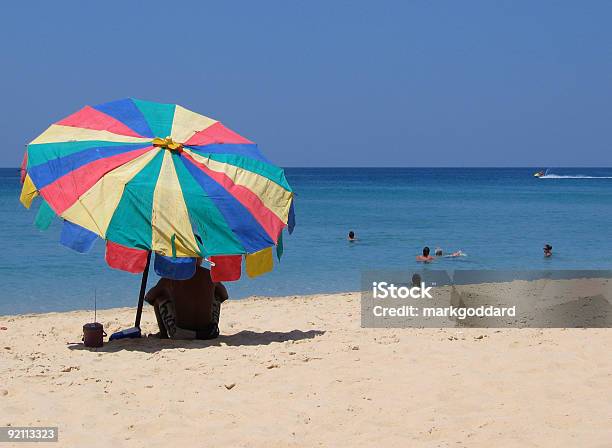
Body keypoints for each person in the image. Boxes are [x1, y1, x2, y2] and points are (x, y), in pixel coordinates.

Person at [145, 258, 228, 340]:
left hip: (180, 333)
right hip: (209, 332)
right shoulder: (210, 274)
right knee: (216, 296)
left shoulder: (172, 276)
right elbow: (224, 295)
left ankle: (163, 334)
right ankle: (212, 324)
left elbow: (149, 297)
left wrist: (171, 296)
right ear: (200, 258)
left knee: (159, 299)